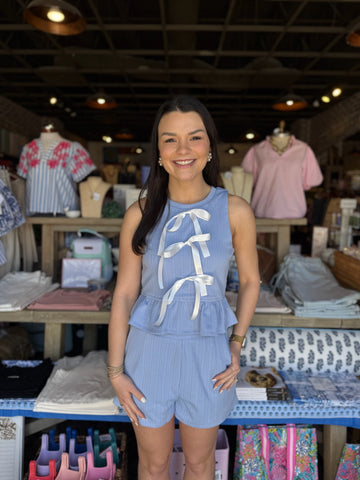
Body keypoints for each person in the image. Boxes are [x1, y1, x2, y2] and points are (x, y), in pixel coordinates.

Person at [108, 95, 260, 479]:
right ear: (158, 150)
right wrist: (115, 372)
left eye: (194, 137)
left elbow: (251, 281)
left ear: (210, 145)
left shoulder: (235, 210)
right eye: (170, 139)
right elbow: (124, 294)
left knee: (200, 463)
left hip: (208, 357)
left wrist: (236, 345)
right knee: (154, 464)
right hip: (147, 356)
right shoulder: (139, 213)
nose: (183, 150)